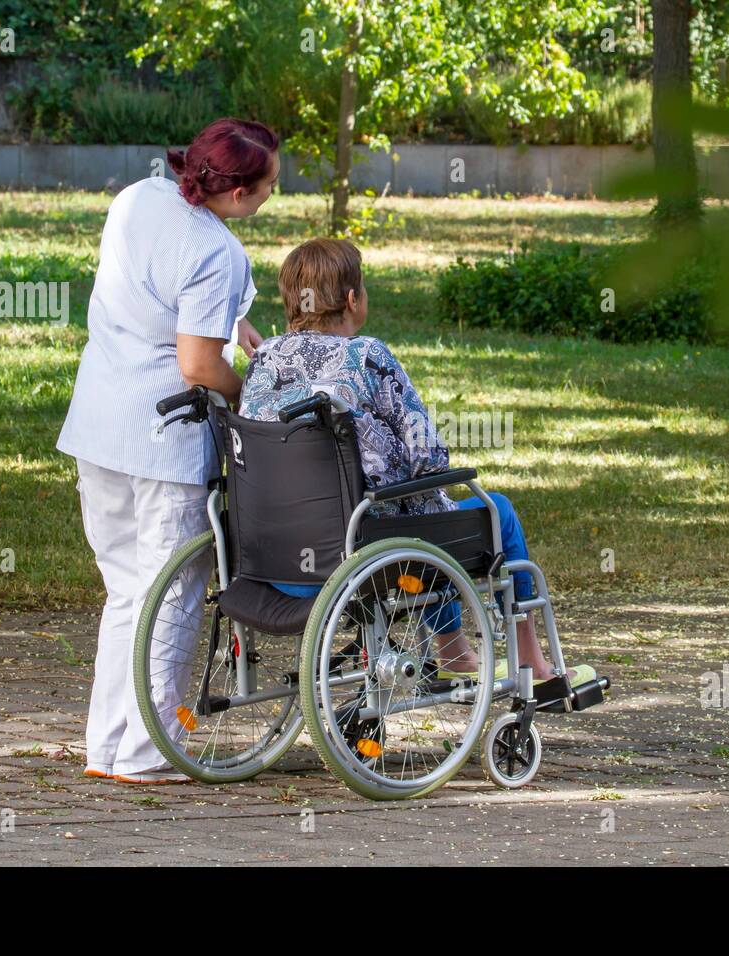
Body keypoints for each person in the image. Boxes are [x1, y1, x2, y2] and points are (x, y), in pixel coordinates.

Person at [238, 238, 595, 685]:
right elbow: (427, 456)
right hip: (359, 550)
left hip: (276, 557)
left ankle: (456, 652)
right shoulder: (368, 355)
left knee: (423, 512)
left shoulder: (262, 360)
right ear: (352, 299)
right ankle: (533, 664)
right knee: (488, 510)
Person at [56, 118, 280, 784]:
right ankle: (151, 752)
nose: (272, 195)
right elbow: (197, 363)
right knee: (173, 594)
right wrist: (245, 391)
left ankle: (109, 748)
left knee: (127, 593)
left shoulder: (139, 198)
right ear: (237, 194)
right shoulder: (218, 250)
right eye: (269, 185)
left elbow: (169, 290)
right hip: (165, 442)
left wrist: (236, 323)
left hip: (98, 423)